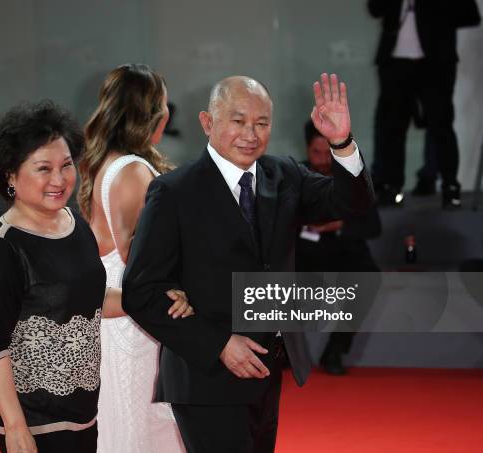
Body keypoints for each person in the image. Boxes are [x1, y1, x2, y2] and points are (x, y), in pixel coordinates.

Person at [122, 74, 374, 452]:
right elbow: (140, 291)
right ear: (208, 122)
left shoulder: (284, 175)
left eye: (262, 123)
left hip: (267, 371)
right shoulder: (174, 191)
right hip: (205, 375)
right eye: (238, 121)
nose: (250, 134)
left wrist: (341, 142)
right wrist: (220, 344)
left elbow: (351, 203)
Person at [0, 100, 192, 453]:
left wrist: (157, 300)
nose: (59, 180)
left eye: (66, 165)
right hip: (32, 419)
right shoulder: (2, 248)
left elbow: (93, 299)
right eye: (43, 168)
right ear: (10, 175)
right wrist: (15, 426)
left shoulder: (75, 225)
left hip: (83, 409)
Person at [77, 63, 186, 453]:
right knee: (143, 432)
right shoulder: (132, 171)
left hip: (117, 320)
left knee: (124, 427)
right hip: (136, 325)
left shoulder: (102, 164)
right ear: (153, 113)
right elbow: (145, 262)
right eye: (163, 103)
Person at [369, 0, 481, 208]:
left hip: (435, 61)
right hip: (395, 60)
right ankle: (392, 186)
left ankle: (450, 186)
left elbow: (470, 15)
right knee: (393, 127)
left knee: (441, 125)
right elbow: (375, 8)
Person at [296, 120, 381, 375]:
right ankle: (284, 350)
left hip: (343, 252)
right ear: (307, 150)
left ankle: (335, 350)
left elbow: (374, 227)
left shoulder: (354, 176)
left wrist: (338, 225)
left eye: (327, 153)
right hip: (302, 253)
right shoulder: (295, 175)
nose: (322, 161)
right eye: (316, 153)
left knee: (368, 276)